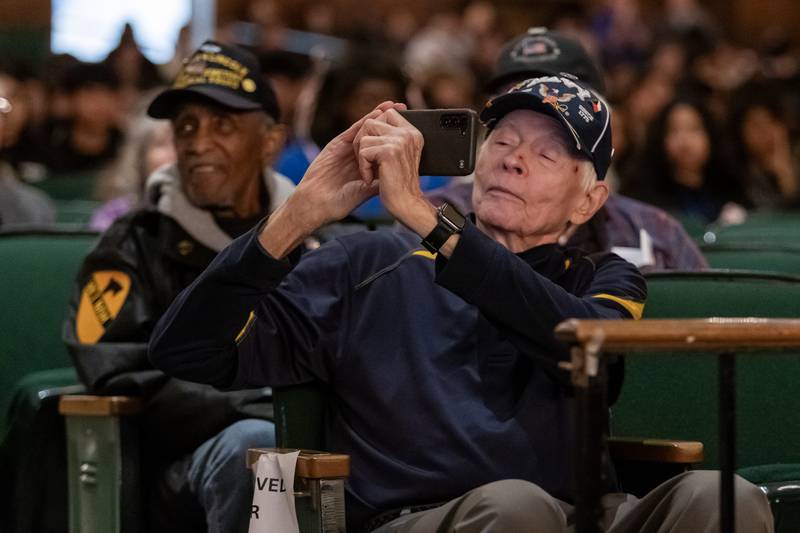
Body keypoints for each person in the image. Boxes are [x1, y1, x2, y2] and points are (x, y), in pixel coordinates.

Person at [149, 78, 772, 531]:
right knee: (515, 508)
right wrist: (298, 214)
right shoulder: (361, 264)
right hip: (424, 518)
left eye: (548, 153)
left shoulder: (601, 278)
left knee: (727, 498)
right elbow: (187, 348)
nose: (514, 159)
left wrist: (433, 222)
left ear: (587, 203)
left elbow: (588, 353)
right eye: (503, 139)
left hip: (583, 514)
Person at [63, 41, 292, 533]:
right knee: (255, 447)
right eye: (186, 126)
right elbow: (116, 371)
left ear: (271, 141)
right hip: (181, 466)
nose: (196, 143)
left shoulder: (316, 238)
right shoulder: (132, 244)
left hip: (315, 436)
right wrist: (258, 402)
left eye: (222, 125)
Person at [429, 27, 708, 270]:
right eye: (517, 96)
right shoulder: (437, 212)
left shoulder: (653, 232)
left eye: (560, 97)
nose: (539, 101)